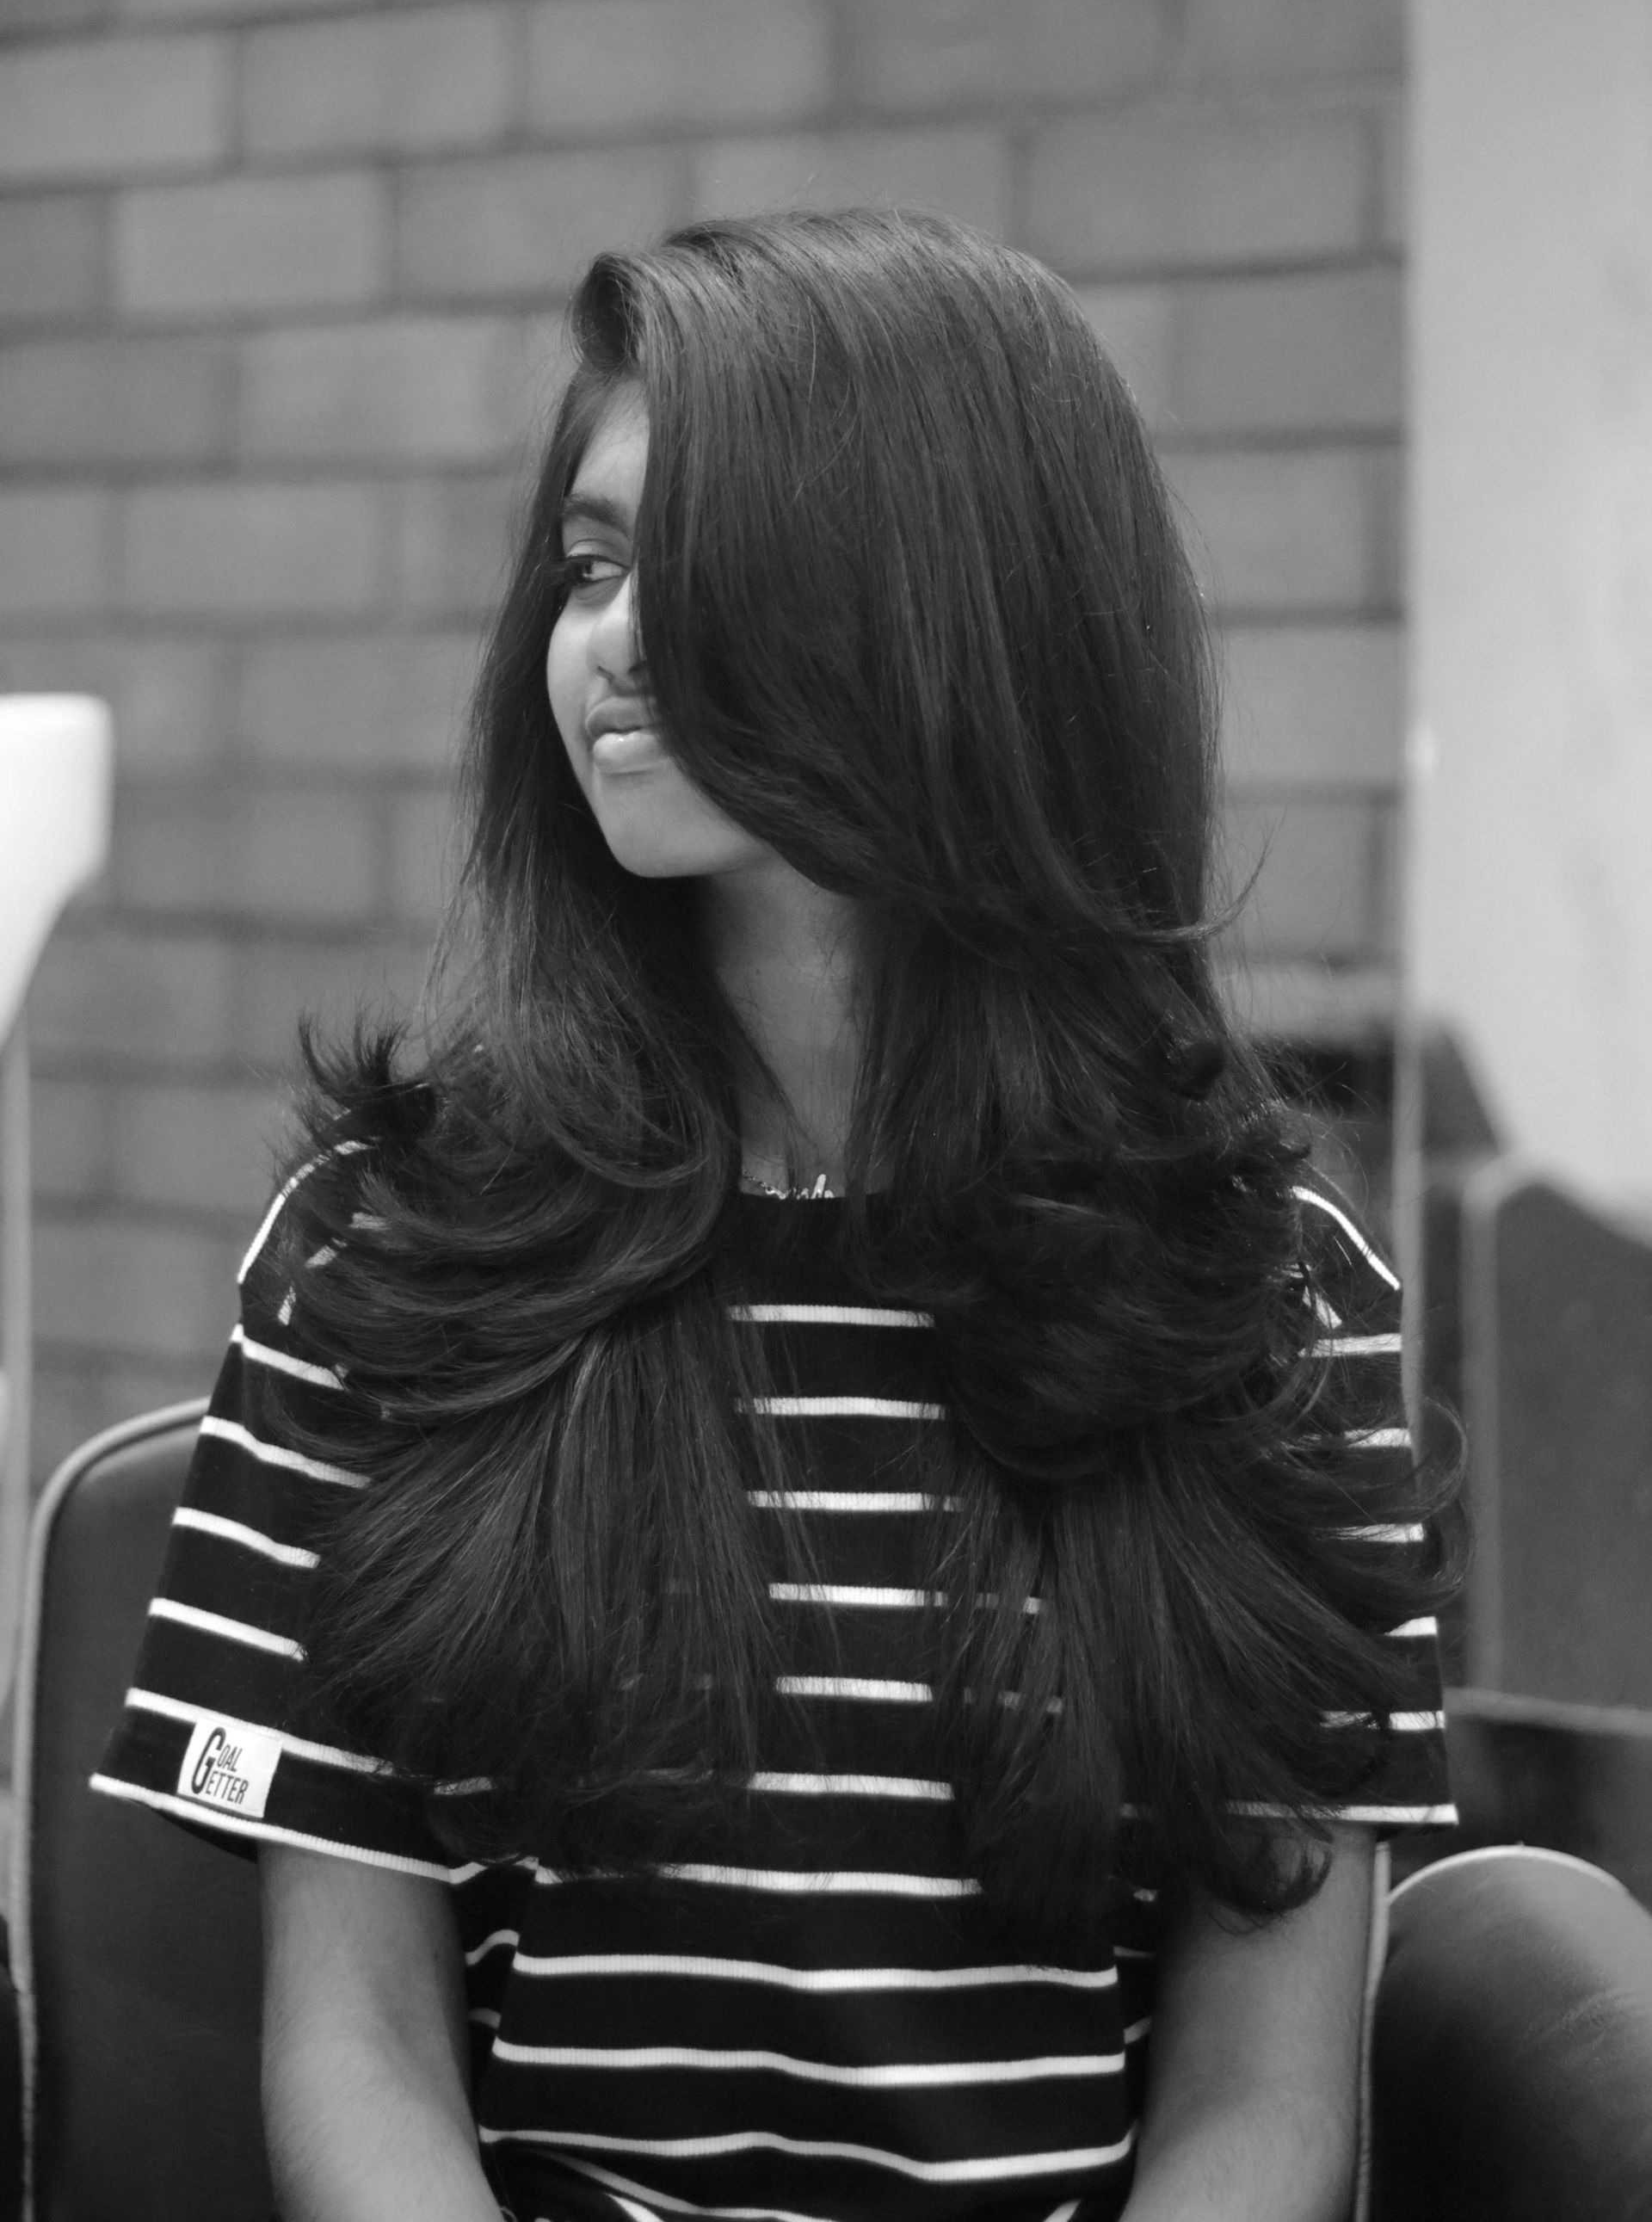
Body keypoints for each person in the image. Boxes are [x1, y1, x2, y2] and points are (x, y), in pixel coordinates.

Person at [96, 210, 1454, 2222]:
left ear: (945, 606)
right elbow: (358, 2050)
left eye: (696, 560)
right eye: (587, 563)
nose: (605, 641)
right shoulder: (385, 1254)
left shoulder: (1273, 1304)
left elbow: (1264, 2109)